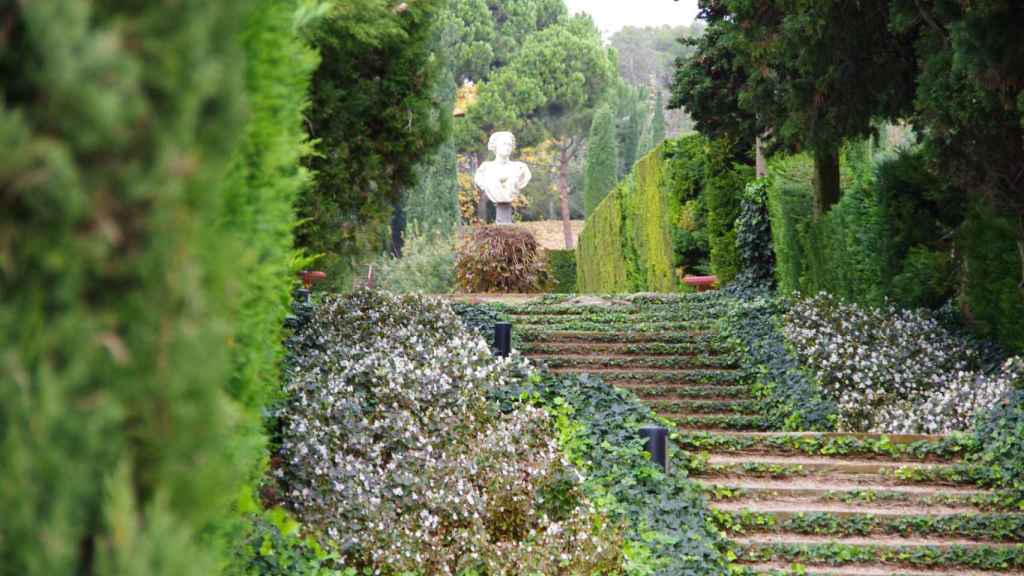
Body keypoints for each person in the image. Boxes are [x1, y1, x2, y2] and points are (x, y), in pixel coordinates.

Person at [474, 132, 531, 223]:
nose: (507, 147)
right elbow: (480, 181)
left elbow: (523, 180)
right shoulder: (485, 169)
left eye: (509, 144)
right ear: (495, 146)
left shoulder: (520, 168)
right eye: (504, 144)